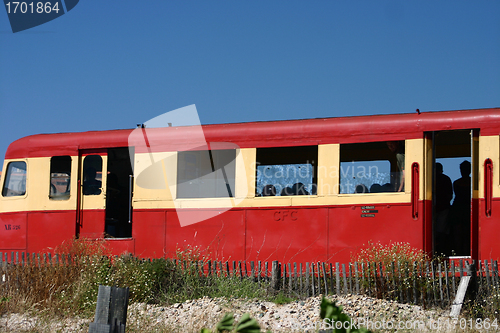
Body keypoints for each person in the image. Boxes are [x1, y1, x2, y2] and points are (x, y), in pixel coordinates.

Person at [449, 160, 471, 255]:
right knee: (466, 233)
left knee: (458, 233)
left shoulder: (456, 183)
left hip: (458, 208)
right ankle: (465, 252)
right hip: (467, 208)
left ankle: (459, 252)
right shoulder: (473, 183)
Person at [434, 163, 453, 255]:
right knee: (442, 231)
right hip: (444, 208)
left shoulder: (430, 179)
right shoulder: (446, 179)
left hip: (433, 209)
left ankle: (436, 250)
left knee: (434, 232)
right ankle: (442, 250)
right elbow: (449, 195)